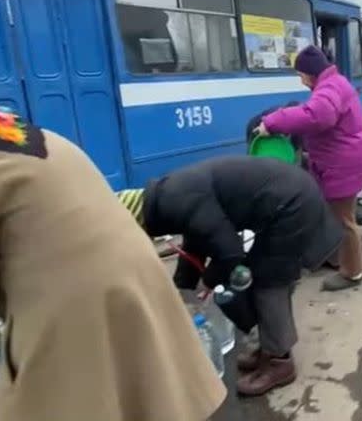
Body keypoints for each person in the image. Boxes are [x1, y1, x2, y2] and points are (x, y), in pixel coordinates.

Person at [0, 87, 225, 421]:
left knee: (71, 402)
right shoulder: (33, 136)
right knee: (144, 393)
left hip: (73, 306)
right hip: (131, 284)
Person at [115, 155, 343, 396]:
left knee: (268, 282)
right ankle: (269, 346)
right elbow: (197, 237)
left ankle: (280, 361)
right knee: (257, 275)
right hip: (285, 198)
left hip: (291, 205)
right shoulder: (169, 196)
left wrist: (208, 281)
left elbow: (229, 251)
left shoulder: (175, 202)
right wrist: (182, 287)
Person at [256, 45, 362, 291]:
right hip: (344, 160)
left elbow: (318, 116)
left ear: (310, 72)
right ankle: (333, 257)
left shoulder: (329, 88)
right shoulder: (334, 83)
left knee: (343, 220)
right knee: (332, 213)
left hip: (342, 165)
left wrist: (273, 122)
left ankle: (352, 273)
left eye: (300, 74)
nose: (301, 80)